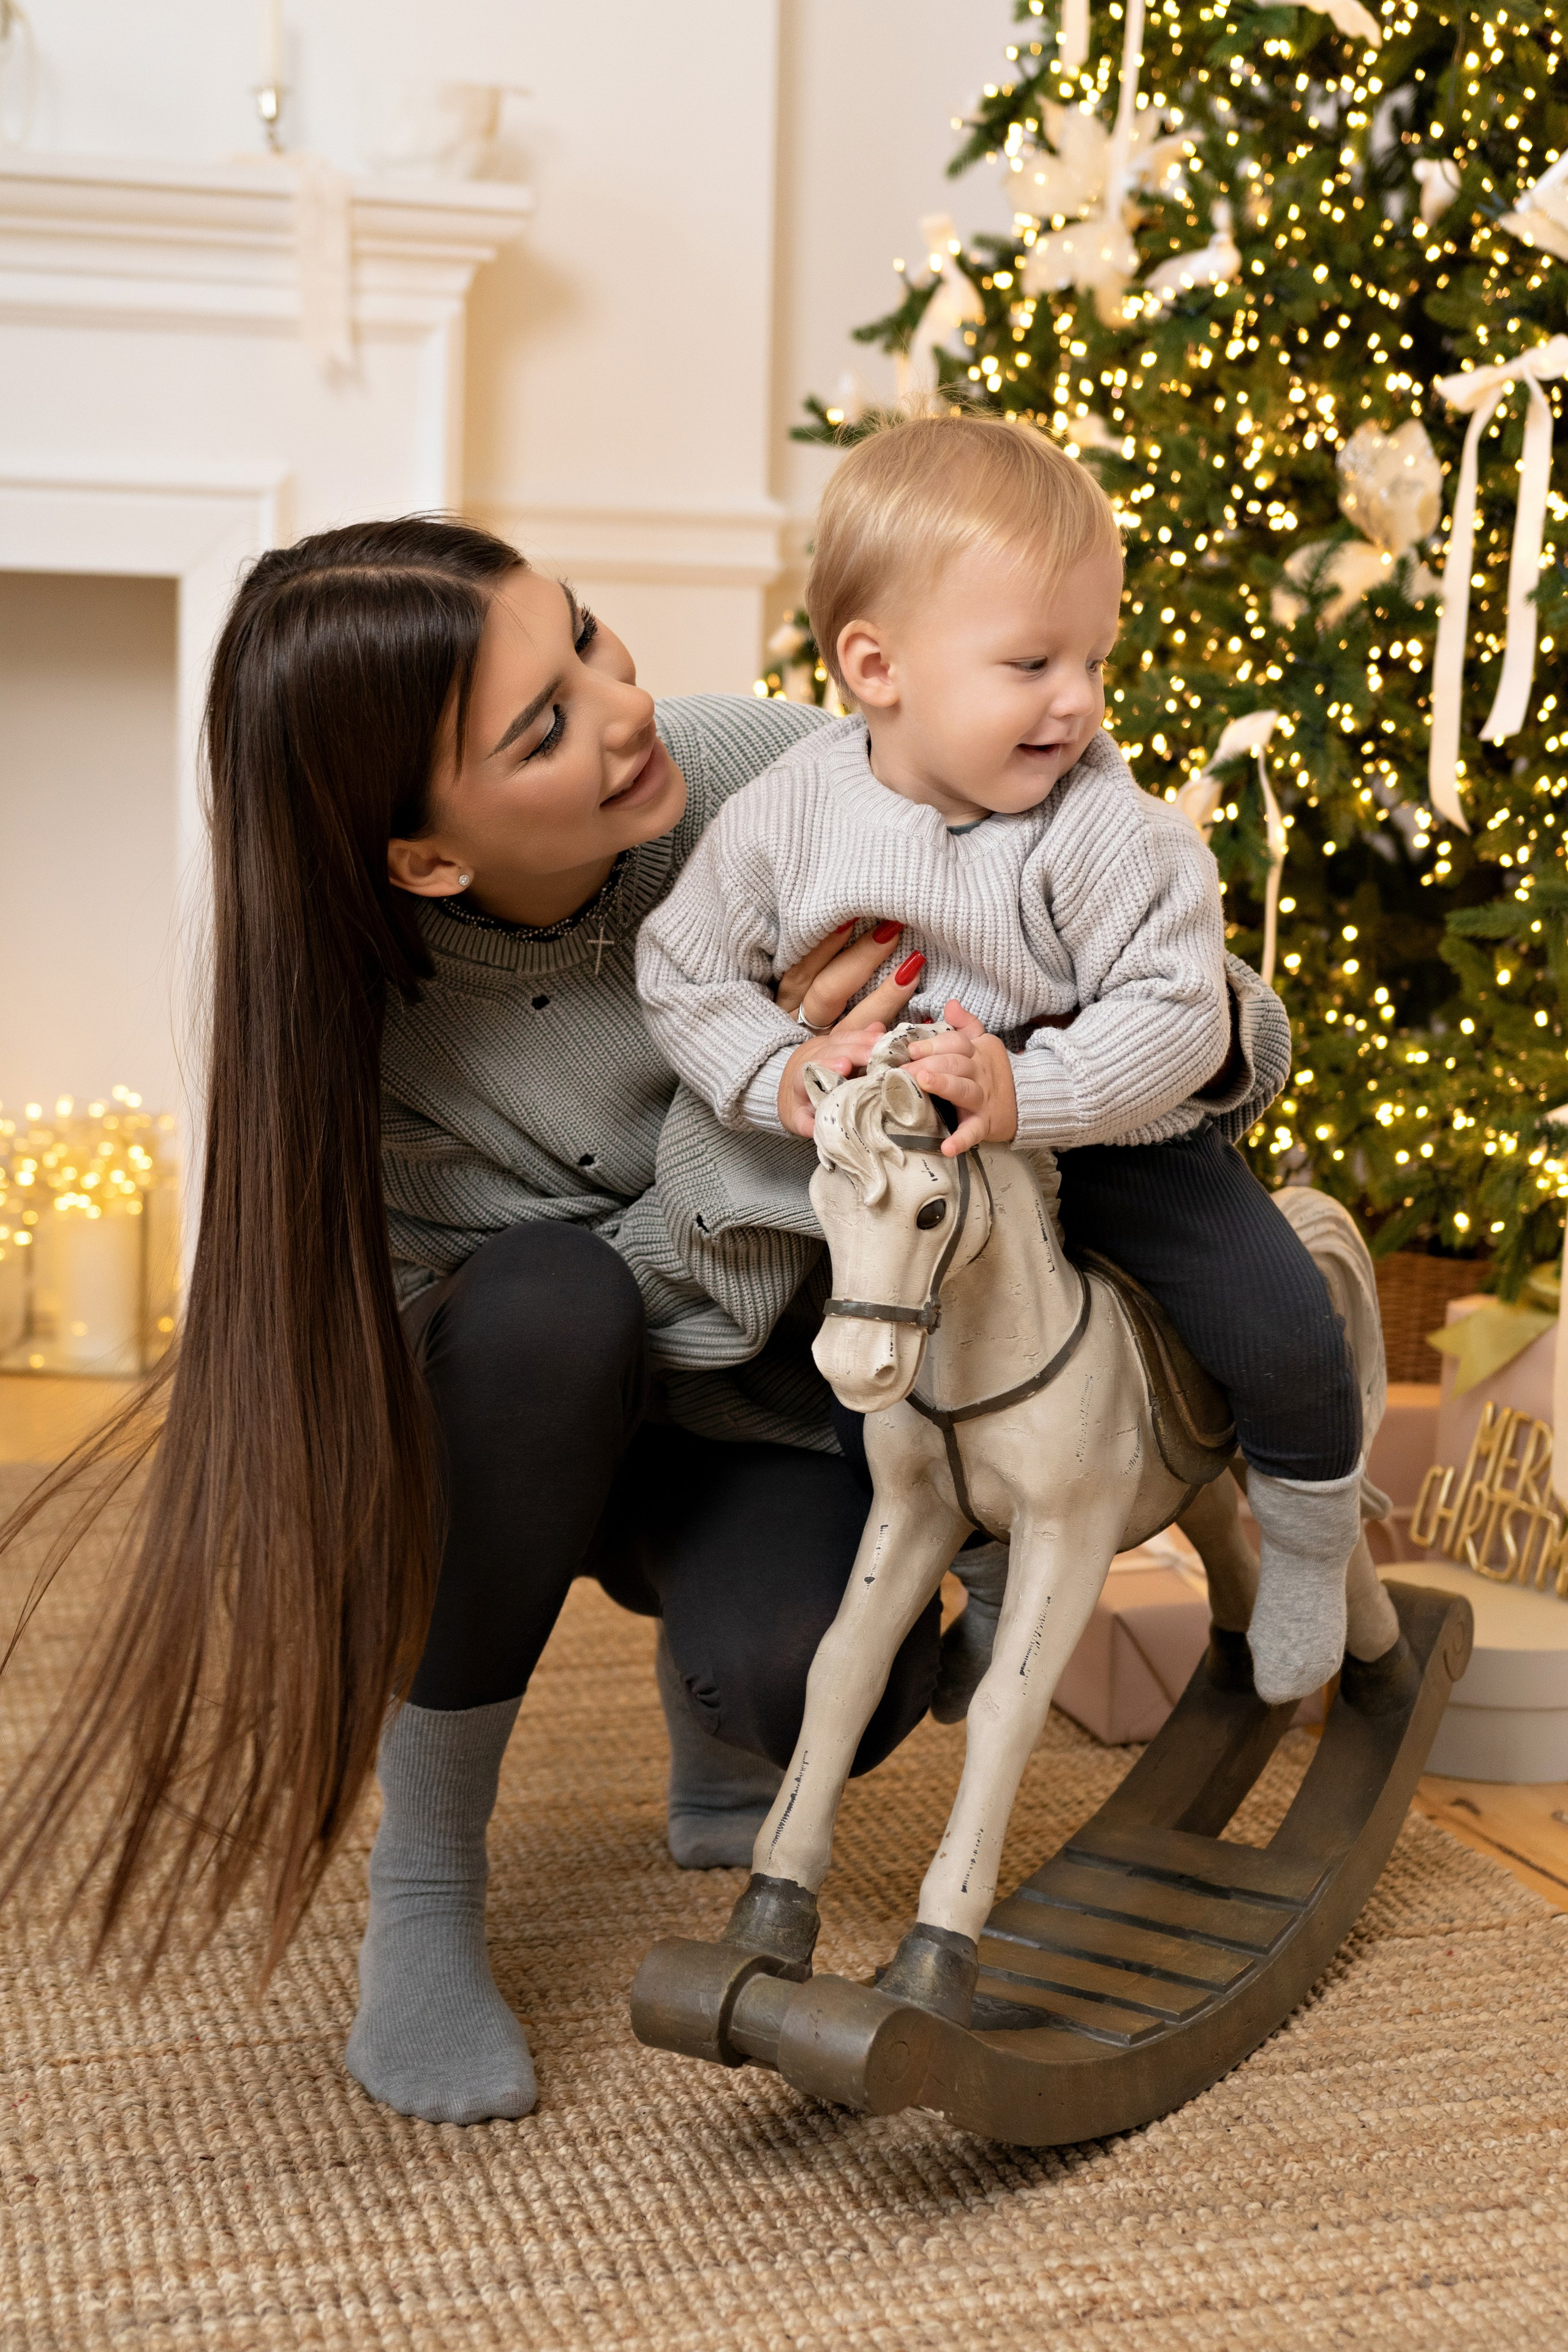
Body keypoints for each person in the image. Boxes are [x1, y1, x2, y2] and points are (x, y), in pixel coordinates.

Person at [0, 516, 946, 2133]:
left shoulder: (779, 787)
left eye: (582, 635)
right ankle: (424, 1889)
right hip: (525, 1420)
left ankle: (720, 1718)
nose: (623, 703)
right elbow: (515, 1350)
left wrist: (1163, 1036)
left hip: (768, 1410)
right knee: (550, 1307)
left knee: (815, 1690)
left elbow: (1142, 964)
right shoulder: (349, 1042)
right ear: (425, 857)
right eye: (544, 724)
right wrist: (768, 1098)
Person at [637, 408, 1366, 1710]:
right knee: (893, 1388)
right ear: (876, 667)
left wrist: (1038, 1089)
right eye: (1030, 662)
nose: (1078, 700)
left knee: (1270, 1309)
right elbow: (682, 969)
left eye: (1093, 656)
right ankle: (962, 1578)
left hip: (1107, 1140)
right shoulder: (787, 811)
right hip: (907, 1163)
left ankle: (1306, 1542)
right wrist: (782, 1073)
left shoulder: (1109, 830)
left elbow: (1177, 1012)